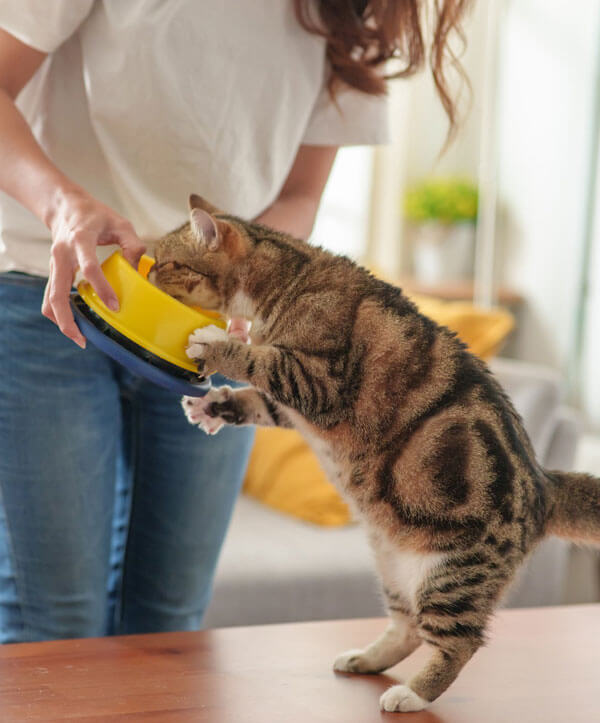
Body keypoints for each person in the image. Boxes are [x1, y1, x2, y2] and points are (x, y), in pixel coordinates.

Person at [0, 1, 469, 643]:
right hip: (54, 295)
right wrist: (63, 205)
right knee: (55, 624)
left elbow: (300, 195)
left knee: (172, 625)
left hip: (217, 329)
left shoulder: (356, 13)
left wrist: (247, 282)